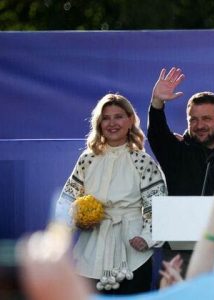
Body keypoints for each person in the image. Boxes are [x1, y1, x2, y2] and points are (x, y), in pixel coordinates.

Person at [54, 93, 167, 295]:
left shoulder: (142, 161)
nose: (112, 123)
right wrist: (66, 227)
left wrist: (147, 237)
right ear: (99, 123)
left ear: (131, 120)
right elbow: (67, 198)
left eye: (118, 116)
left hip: (133, 252)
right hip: (91, 248)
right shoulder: (87, 159)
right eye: (106, 118)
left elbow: (158, 204)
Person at [147, 67, 214, 196]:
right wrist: (157, 102)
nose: (200, 125)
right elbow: (157, 134)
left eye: (206, 119)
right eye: (193, 120)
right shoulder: (177, 152)